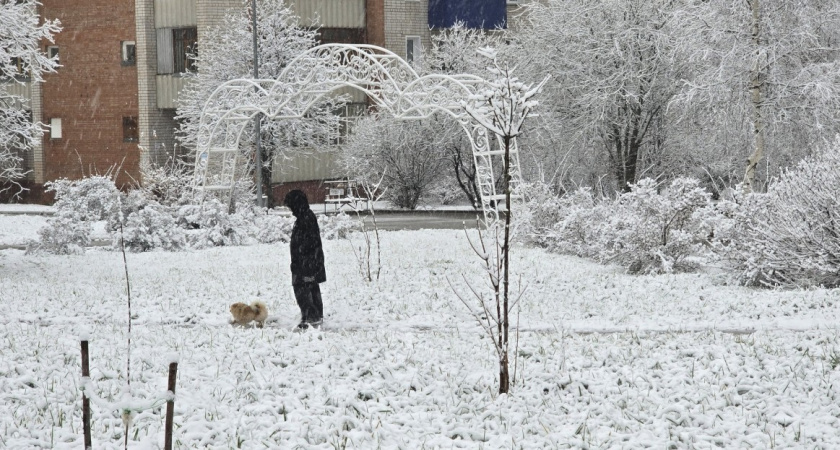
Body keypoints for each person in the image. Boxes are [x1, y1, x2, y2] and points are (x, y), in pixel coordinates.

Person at [283, 190, 326, 329]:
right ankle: (314, 316)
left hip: (306, 265)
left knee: (304, 290)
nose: (291, 210)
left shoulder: (305, 219)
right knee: (310, 288)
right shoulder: (305, 217)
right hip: (308, 263)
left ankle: (311, 318)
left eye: (291, 206)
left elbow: (307, 244)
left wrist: (302, 264)